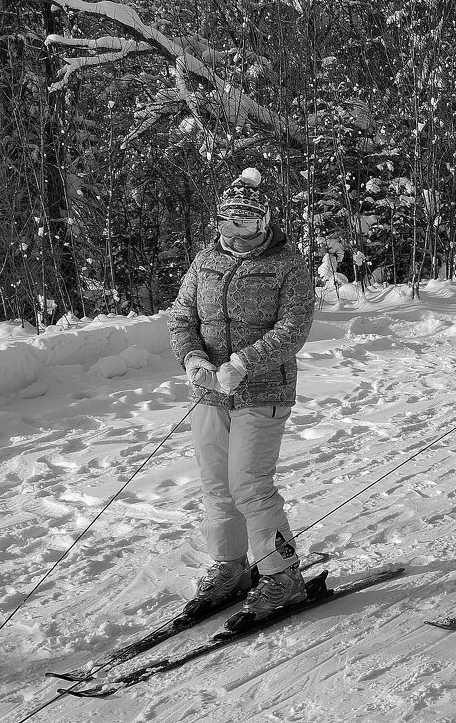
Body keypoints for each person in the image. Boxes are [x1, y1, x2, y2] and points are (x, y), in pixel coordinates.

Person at [167, 167, 315, 618]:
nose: (237, 233)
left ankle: (283, 577)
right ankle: (229, 568)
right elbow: (181, 318)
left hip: (263, 389)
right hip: (210, 392)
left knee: (249, 485)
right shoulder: (204, 263)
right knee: (216, 486)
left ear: (265, 222)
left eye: (247, 223)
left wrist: (244, 363)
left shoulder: (287, 264)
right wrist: (194, 358)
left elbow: (294, 328)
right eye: (228, 222)